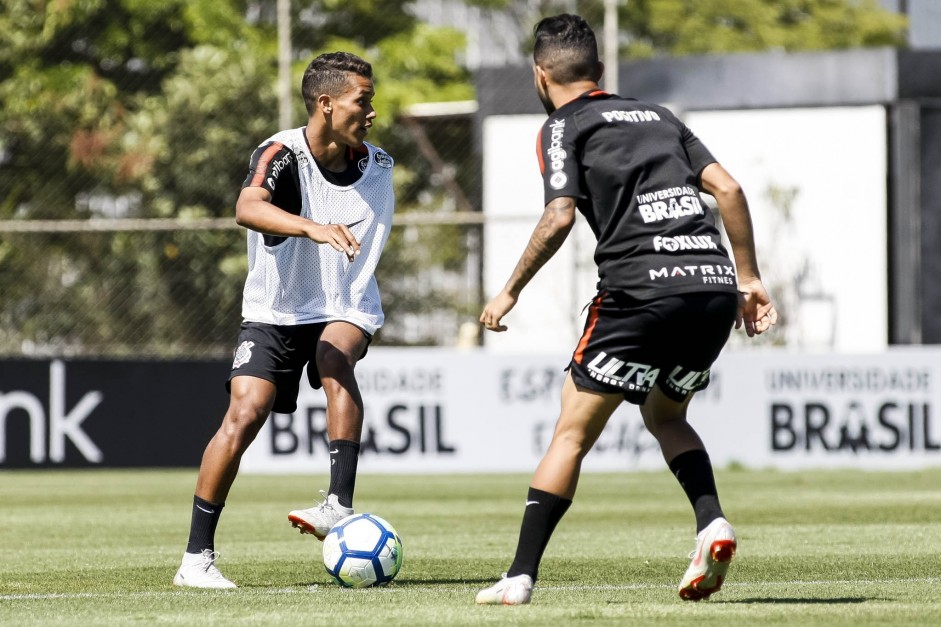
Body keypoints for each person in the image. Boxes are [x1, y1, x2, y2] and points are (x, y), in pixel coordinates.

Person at [475, 14, 776, 605]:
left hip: (638, 292)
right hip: (711, 290)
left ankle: (519, 577)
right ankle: (711, 521)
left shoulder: (564, 125)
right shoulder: (660, 116)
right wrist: (751, 278)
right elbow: (731, 190)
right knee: (666, 416)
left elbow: (560, 215)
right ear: (602, 70)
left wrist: (510, 289)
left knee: (571, 433)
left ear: (541, 76)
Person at [172, 51, 395, 589]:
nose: (371, 112)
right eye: (361, 101)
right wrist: (312, 227)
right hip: (274, 309)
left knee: (333, 354)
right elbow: (248, 208)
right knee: (246, 413)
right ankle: (195, 560)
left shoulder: (380, 163)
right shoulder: (280, 153)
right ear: (325, 103)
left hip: (345, 303)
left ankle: (338, 505)